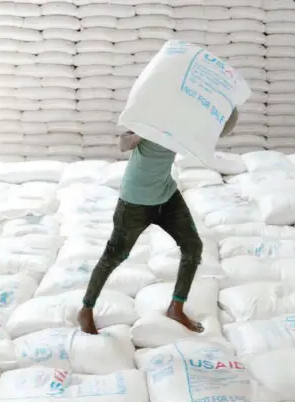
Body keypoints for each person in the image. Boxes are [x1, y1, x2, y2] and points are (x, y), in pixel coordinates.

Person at [78, 108, 239, 335]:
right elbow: (123, 144)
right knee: (114, 256)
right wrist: (142, 134)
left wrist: (222, 110)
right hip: (135, 202)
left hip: (165, 194)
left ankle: (176, 307)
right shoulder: (154, 116)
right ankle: (86, 308)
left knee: (193, 246)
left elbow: (219, 130)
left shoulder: (187, 124)